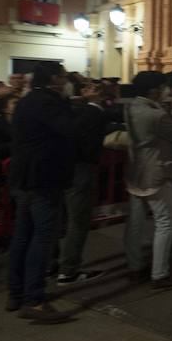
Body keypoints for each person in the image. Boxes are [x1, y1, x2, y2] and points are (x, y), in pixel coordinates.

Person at [5, 62, 76, 324]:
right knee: (42, 237)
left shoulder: (27, 100)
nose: (66, 81)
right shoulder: (48, 102)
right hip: (42, 178)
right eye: (64, 77)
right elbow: (68, 129)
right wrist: (72, 105)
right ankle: (34, 299)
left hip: (23, 177)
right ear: (54, 79)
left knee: (22, 235)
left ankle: (16, 292)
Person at [124, 70, 172, 289]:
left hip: (136, 169)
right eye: (163, 87)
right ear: (154, 90)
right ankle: (160, 274)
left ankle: (135, 267)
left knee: (135, 223)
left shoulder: (131, 107)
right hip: (156, 170)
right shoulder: (156, 115)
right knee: (166, 222)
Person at [57, 79, 109, 286]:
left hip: (67, 168)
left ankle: (57, 264)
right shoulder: (93, 112)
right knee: (78, 220)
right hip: (82, 168)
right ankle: (69, 270)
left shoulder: (76, 110)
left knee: (66, 218)